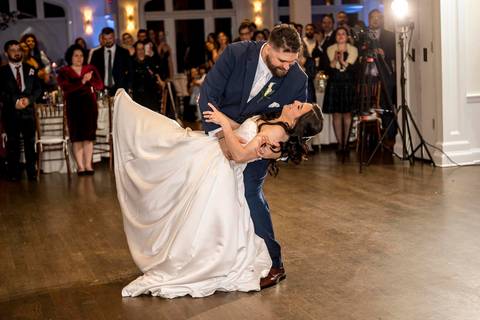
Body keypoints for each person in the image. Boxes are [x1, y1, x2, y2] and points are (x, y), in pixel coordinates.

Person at [113, 89, 322, 298]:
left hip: (219, 168)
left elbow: (239, 156)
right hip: (212, 153)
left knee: (168, 152)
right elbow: (245, 129)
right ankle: (130, 117)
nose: (295, 102)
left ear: (299, 121)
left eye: (300, 107)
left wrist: (223, 125)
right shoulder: (275, 121)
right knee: (169, 140)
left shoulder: (277, 138)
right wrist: (227, 125)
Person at [198, 24, 309, 289]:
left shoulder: (297, 79)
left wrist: (278, 150)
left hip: (261, 142)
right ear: (268, 48)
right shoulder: (236, 54)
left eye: (293, 61)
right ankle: (223, 257)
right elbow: (208, 94)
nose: (287, 67)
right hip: (219, 133)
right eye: (282, 60)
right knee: (214, 194)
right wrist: (222, 135)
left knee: (249, 191)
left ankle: (274, 261)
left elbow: (297, 127)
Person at [57, 45, 104, 175]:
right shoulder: (64, 71)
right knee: (77, 137)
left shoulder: (90, 69)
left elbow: (100, 85)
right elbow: (66, 88)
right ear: (70, 57)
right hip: (73, 106)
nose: (79, 58)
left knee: (88, 137)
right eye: (76, 55)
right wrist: (82, 81)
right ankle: (80, 166)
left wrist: (91, 81)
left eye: (81, 55)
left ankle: (89, 166)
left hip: (89, 106)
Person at [0, 40, 42, 181]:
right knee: (13, 143)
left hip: (28, 113)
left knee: (30, 143)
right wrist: (15, 102)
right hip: (11, 112)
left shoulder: (31, 69)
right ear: (6, 53)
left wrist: (29, 100)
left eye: (18, 49)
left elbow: (38, 89)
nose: (16, 52)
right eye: (12, 49)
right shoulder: (2, 72)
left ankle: (31, 172)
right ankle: (14, 173)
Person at [322, 27, 358, 155]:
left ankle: (346, 144)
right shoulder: (330, 49)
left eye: (343, 33)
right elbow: (326, 69)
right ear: (335, 36)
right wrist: (334, 61)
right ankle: (340, 144)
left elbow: (355, 70)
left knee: (347, 114)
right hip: (334, 83)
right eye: (338, 34)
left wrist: (343, 62)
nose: (341, 36)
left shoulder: (354, 50)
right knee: (336, 114)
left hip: (348, 82)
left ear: (347, 36)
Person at [89, 27, 132, 95]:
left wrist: (128, 87)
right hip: (101, 90)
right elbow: (91, 71)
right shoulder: (96, 54)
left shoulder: (124, 52)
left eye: (110, 38)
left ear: (114, 37)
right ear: (102, 39)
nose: (108, 41)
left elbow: (130, 71)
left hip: (120, 90)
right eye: (105, 39)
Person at [131, 41, 162, 112]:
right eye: (138, 49)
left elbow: (156, 74)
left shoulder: (150, 60)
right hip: (137, 95)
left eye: (142, 49)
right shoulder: (132, 62)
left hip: (150, 94)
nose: (141, 51)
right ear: (136, 50)